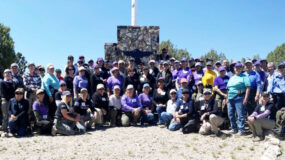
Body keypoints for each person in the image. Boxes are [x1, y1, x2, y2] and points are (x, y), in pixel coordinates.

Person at [226, 63, 251, 135]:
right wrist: (226, 98)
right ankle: (234, 129)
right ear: (234, 68)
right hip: (230, 98)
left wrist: (245, 98)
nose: (238, 69)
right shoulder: (231, 78)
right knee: (230, 114)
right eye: (236, 67)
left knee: (240, 114)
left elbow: (248, 88)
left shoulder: (244, 77)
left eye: (239, 67)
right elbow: (228, 89)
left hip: (239, 97)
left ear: (242, 69)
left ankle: (241, 130)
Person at [0, 69, 18, 137]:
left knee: (12, 115)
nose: (8, 74)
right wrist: (9, 99)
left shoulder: (13, 83)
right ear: (4, 74)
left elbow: (15, 92)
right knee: (5, 116)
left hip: (12, 101)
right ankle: (5, 130)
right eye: (6, 72)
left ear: (11, 74)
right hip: (5, 101)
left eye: (9, 72)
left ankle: (12, 129)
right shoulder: (2, 82)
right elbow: (3, 93)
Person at [272, 62, 285, 135]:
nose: (281, 69)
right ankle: (278, 128)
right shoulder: (275, 77)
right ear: (278, 69)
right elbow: (272, 87)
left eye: (283, 67)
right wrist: (271, 96)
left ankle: (283, 128)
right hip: (277, 96)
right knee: (277, 112)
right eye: (280, 67)